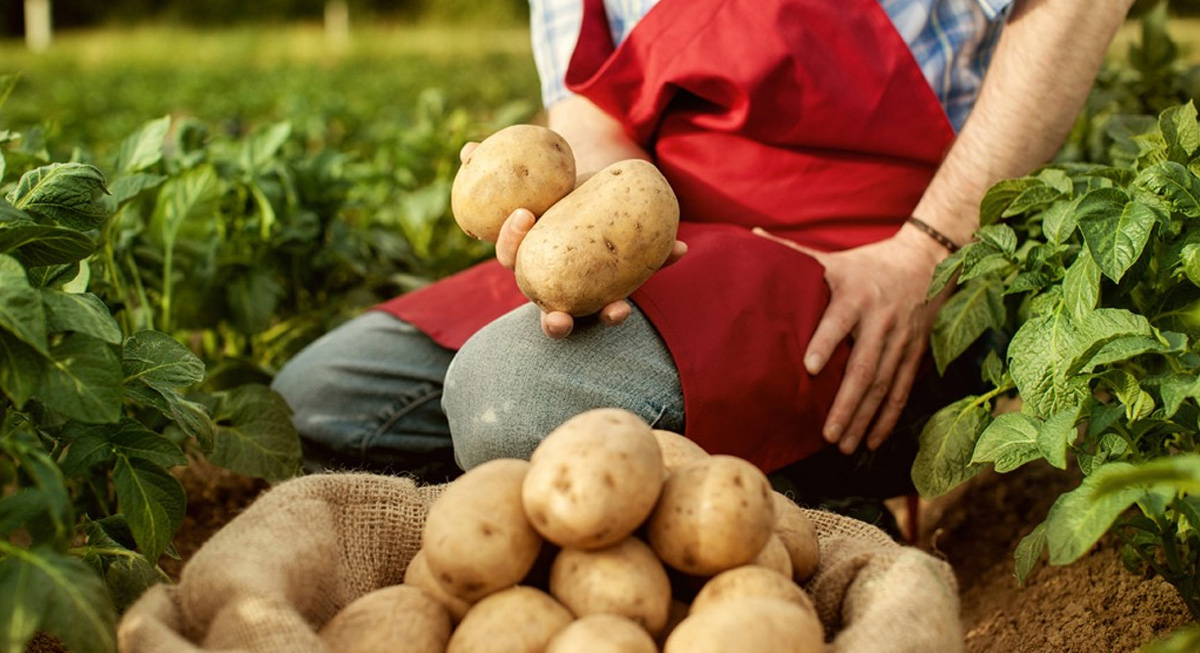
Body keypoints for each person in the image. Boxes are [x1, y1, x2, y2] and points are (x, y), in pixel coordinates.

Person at [272, 0, 1135, 505]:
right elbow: (587, 104)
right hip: (672, 232)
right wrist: (602, 236)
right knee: (321, 403)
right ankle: (769, 477)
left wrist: (931, 251)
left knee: (511, 402)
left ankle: (813, 495)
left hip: (874, 247)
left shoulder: (914, 249)